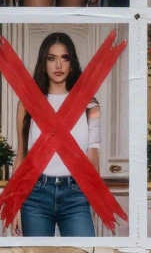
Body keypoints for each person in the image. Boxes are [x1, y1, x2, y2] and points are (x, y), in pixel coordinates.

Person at [14, 32, 100, 237]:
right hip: (35, 195)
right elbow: (21, 156)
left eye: (65, 58)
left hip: (76, 195)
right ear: (43, 64)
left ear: (72, 63)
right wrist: (14, 206)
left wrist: (96, 199)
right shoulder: (27, 105)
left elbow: (93, 155)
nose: (58, 65)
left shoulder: (90, 105)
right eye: (51, 58)